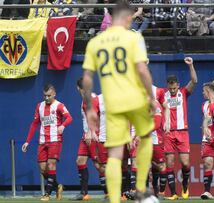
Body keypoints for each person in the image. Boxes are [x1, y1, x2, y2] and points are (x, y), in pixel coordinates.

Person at [82, 1, 157, 203]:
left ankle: (115, 199)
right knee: (146, 138)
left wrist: (89, 108)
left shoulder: (95, 42)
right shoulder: (134, 37)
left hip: (112, 104)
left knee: (115, 154)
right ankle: (141, 190)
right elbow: (142, 70)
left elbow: (87, 78)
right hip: (135, 98)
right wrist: (151, 96)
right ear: (126, 17)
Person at [22, 84, 73, 201]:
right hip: (42, 140)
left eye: (49, 95)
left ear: (54, 94)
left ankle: (47, 194)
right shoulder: (39, 106)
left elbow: (69, 117)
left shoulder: (59, 105)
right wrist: (27, 141)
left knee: (51, 164)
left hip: (55, 139)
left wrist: (63, 126)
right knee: (43, 168)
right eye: (45, 96)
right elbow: (34, 124)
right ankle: (58, 186)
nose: (47, 98)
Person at [158, 57, 198, 200]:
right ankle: (173, 193)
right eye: (170, 88)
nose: (173, 90)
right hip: (168, 133)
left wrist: (191, 65)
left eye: (174, 88)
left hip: (182, 132)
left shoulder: (183, 92)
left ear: (178, 85)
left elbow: (194, 81)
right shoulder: (162, 94)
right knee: (169, 163)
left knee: (185, 163)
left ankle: (185, 187)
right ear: (167, 86)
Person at [71, 77, 108, 201]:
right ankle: (84, 193)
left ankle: (109, 192)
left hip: (93, 135)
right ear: (79, 88)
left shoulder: (91, 99)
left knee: (99, 166)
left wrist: (91, 132)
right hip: (86, 134)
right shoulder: (85, 100)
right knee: (80, 161)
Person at [199, 82, 214, 199]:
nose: (202, 93)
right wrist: (204, 135)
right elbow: (204, 121)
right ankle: (207, 191)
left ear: (208, 90)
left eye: (203, 91)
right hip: (207, 140)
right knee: (207, 164)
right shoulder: (204, 105)